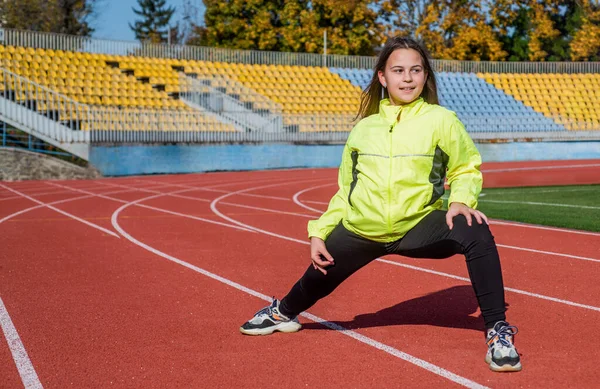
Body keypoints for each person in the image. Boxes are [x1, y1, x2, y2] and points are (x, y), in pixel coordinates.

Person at [239, 36, 522, 373]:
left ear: (425, 76)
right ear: (382, 77)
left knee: (475, 229)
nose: (407, 78)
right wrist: (320, 232)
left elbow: (465, 166)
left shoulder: (441, 120)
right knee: (319, 273)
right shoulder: (363, 129)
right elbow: (347, 189)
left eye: (415, 70)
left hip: (416, 225)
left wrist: (460, 200)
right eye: (398, 70)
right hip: (363, 228)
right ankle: (282, 312)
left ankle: (497, 331)